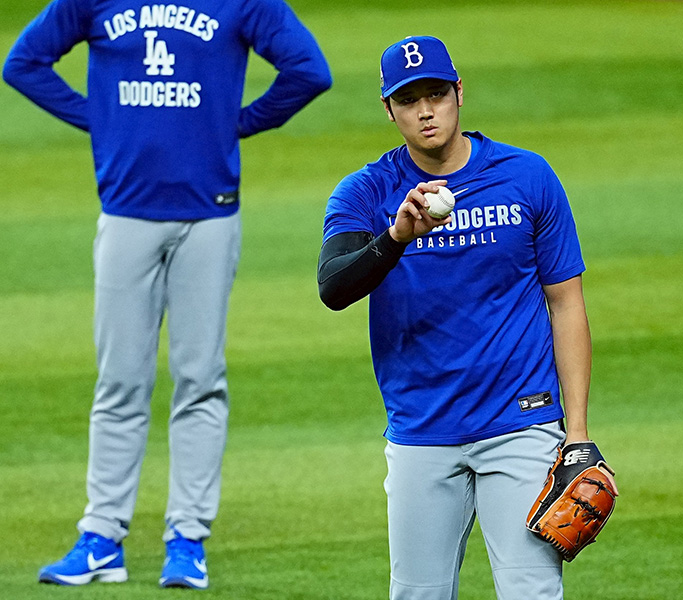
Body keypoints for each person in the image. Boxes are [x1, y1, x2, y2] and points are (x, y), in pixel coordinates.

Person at [4, 0, 331, 589]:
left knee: (199, 377)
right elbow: (24, 62)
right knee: (120, 379)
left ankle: (188, 537)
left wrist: (240, 120)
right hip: (125, 212)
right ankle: (101, 537)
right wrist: (100, 118)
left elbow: (309, 70)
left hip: (209, 216)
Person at [317, 36, 618, 600]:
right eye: (409, 101)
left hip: (522, 426)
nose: (426, 111)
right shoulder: (366, 193)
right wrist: (395, 237)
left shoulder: (527, 177)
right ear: (389, 110)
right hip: (421, 431)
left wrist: (575, 435)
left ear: (459, 93)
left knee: (532, 593)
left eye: (436, 94)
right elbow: (334, 287)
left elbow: (566, 303)